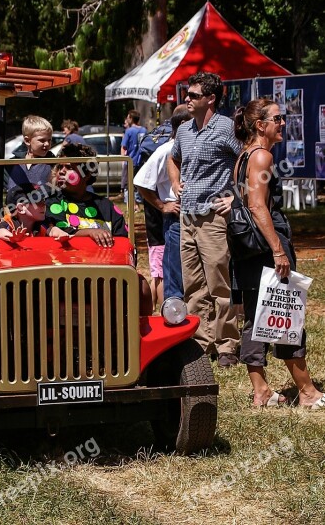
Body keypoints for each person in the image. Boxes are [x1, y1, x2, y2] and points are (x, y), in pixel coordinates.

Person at [231, 99, 325, 408]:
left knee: (258, 319)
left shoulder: (243, 156)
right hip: (264, 247)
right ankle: (308, 393)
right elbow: (257, 206)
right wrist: (278, 250)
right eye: (277, 118)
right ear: (261, 125)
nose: (282, 122)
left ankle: (261, 391)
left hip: (247, 250)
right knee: (285, 314)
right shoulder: (261, 156)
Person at [167, 72, 242, 368]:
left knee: (218, 283)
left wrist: (235, 197)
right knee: (193, 284)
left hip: (212, 217)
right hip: (188, 216)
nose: (187, 99)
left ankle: (227, 344)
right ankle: (200, 341)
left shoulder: (226, 128)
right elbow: (173, 159)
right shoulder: (184, 130)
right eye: (187, 94)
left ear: (211, 98)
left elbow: (246, 160)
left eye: (194, 95)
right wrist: (175, 182)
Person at [46, 143, 153, 316]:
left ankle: (135, 335)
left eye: (70, 167)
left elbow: (124, 243)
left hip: (105, 275)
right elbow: (57, 233)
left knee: (142, 288)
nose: (62, 172)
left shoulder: (107, 207)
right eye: (60, 167)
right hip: (65, 277)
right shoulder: (53, 204)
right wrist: (88, 233)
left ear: (87, 174)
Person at [134, 105, 191, 304]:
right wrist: (162, 205)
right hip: (175, 218)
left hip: (196, 217)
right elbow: (141, 182)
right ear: (183, 125)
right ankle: (173, 311)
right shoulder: (166, 149)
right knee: (173, 270)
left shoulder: (194, 147)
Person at [0, 183, 69, 241]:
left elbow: (52, 230)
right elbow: (0, 231)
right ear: (21, 208)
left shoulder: (41, 224)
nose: (44, 204)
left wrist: (61, 234)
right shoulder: (9, 224)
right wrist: (12, 237)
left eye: (43, 200)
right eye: (37, 202)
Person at [6, 115, 54, 189]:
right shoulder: (14, 164)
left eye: (49, 140)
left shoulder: (53, 164)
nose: (47, 144)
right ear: (27, 141)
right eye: (42, 140)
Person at [120, 110, 147, 212]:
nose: (127, 119)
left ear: (131, 118)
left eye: (128, 117)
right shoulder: (144, 130)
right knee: (139, 184)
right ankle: (139, 204)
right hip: (142, 161)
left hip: (131, 160)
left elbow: (124, 146)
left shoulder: (129, 131)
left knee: (129, 184)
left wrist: (123, 160)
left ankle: (134, 205)